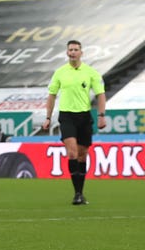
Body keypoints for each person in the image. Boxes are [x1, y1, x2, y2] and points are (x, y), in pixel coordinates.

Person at [41, 40, 106, 205]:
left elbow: (100, 94)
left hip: (84, 116)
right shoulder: (60, 72)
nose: (73, 52)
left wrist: (101, 115)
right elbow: (52, 95)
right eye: (70, 50)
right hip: (67, 116)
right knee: (72, 153)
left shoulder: (91, 73)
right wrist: (48, 117)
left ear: (81, 53)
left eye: (76, 50)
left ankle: (80, 192)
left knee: (83, 154)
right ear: (67, 52)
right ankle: (76, 194)